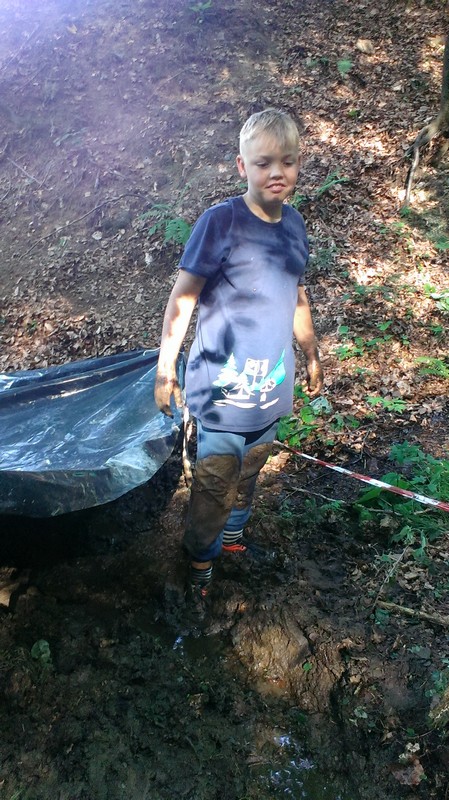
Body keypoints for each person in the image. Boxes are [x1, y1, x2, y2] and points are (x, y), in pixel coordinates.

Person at [154, 108, 324, 619]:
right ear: (242, 166)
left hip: (270, 390)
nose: (277, 172)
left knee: (251, 469)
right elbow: (183, 296)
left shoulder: (294, 226)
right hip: (220, 393)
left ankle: (232, 537)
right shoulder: (221, 222)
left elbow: (296, 295)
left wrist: (311, 353)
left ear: (299, 165)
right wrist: (166, 368)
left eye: (287, 162)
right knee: (214, 482)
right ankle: (199, 564)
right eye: (263, 162)